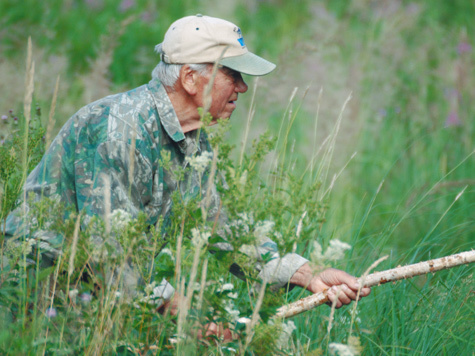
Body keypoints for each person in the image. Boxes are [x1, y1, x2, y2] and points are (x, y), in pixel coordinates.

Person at [2, 14, 370, 337]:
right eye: (233, 73)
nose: (242, 87)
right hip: (33, 296)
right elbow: (108, 252)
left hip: (92, 297)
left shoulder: (193, 138)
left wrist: (309, 274)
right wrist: (183, 313)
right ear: (191, 78)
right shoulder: (119, 129)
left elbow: (223, 229)